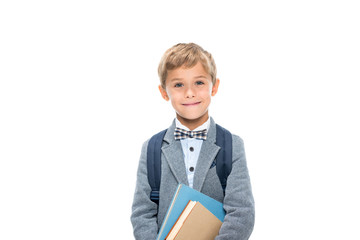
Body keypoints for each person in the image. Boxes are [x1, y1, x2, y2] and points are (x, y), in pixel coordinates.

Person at [131, 43, 255, 240]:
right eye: (179, 84)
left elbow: (242, 211)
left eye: (199, 83)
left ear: (214, 87)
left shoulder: (232, 145)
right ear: (164, 92)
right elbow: (142, 212)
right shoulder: (152, 148)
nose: (190, 93)